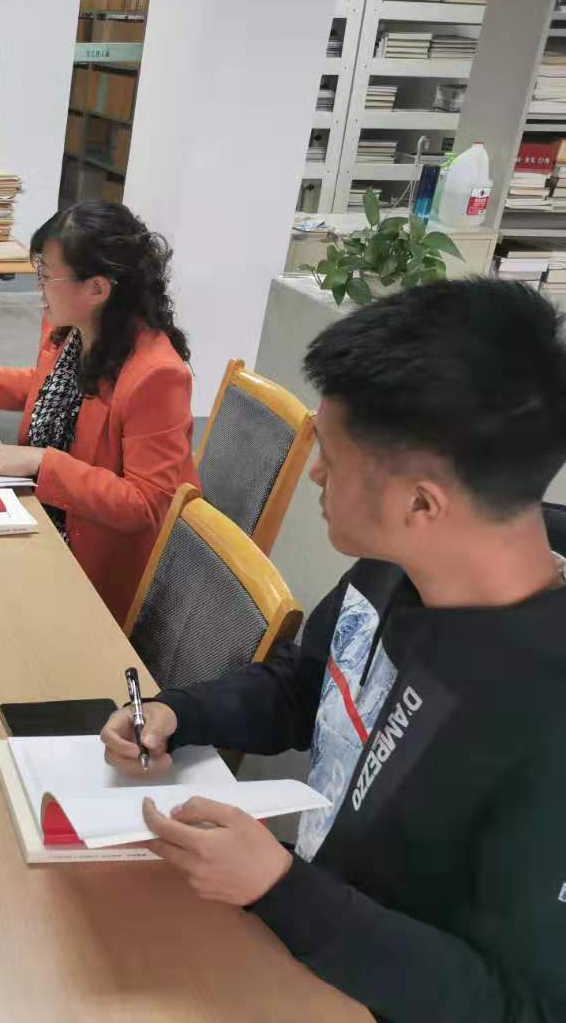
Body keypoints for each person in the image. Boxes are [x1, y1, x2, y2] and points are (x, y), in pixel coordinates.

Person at [100, 278, 566, 1021]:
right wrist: (179, 713)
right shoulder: (402, 562)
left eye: (332, 457)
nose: (314, 472)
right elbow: (306, 684)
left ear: (421, 503)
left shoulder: (542, 714)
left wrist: (281, 888)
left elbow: (517, 1004)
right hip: (300, 930)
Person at [0, 200, 197, 624]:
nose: (39, 287)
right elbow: (43, 387)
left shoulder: (156, 376)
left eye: (47, 276)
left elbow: (145, 505)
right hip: (45, 513)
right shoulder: (73, 329)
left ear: (97, 289)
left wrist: (42, 463)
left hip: (97, 563)